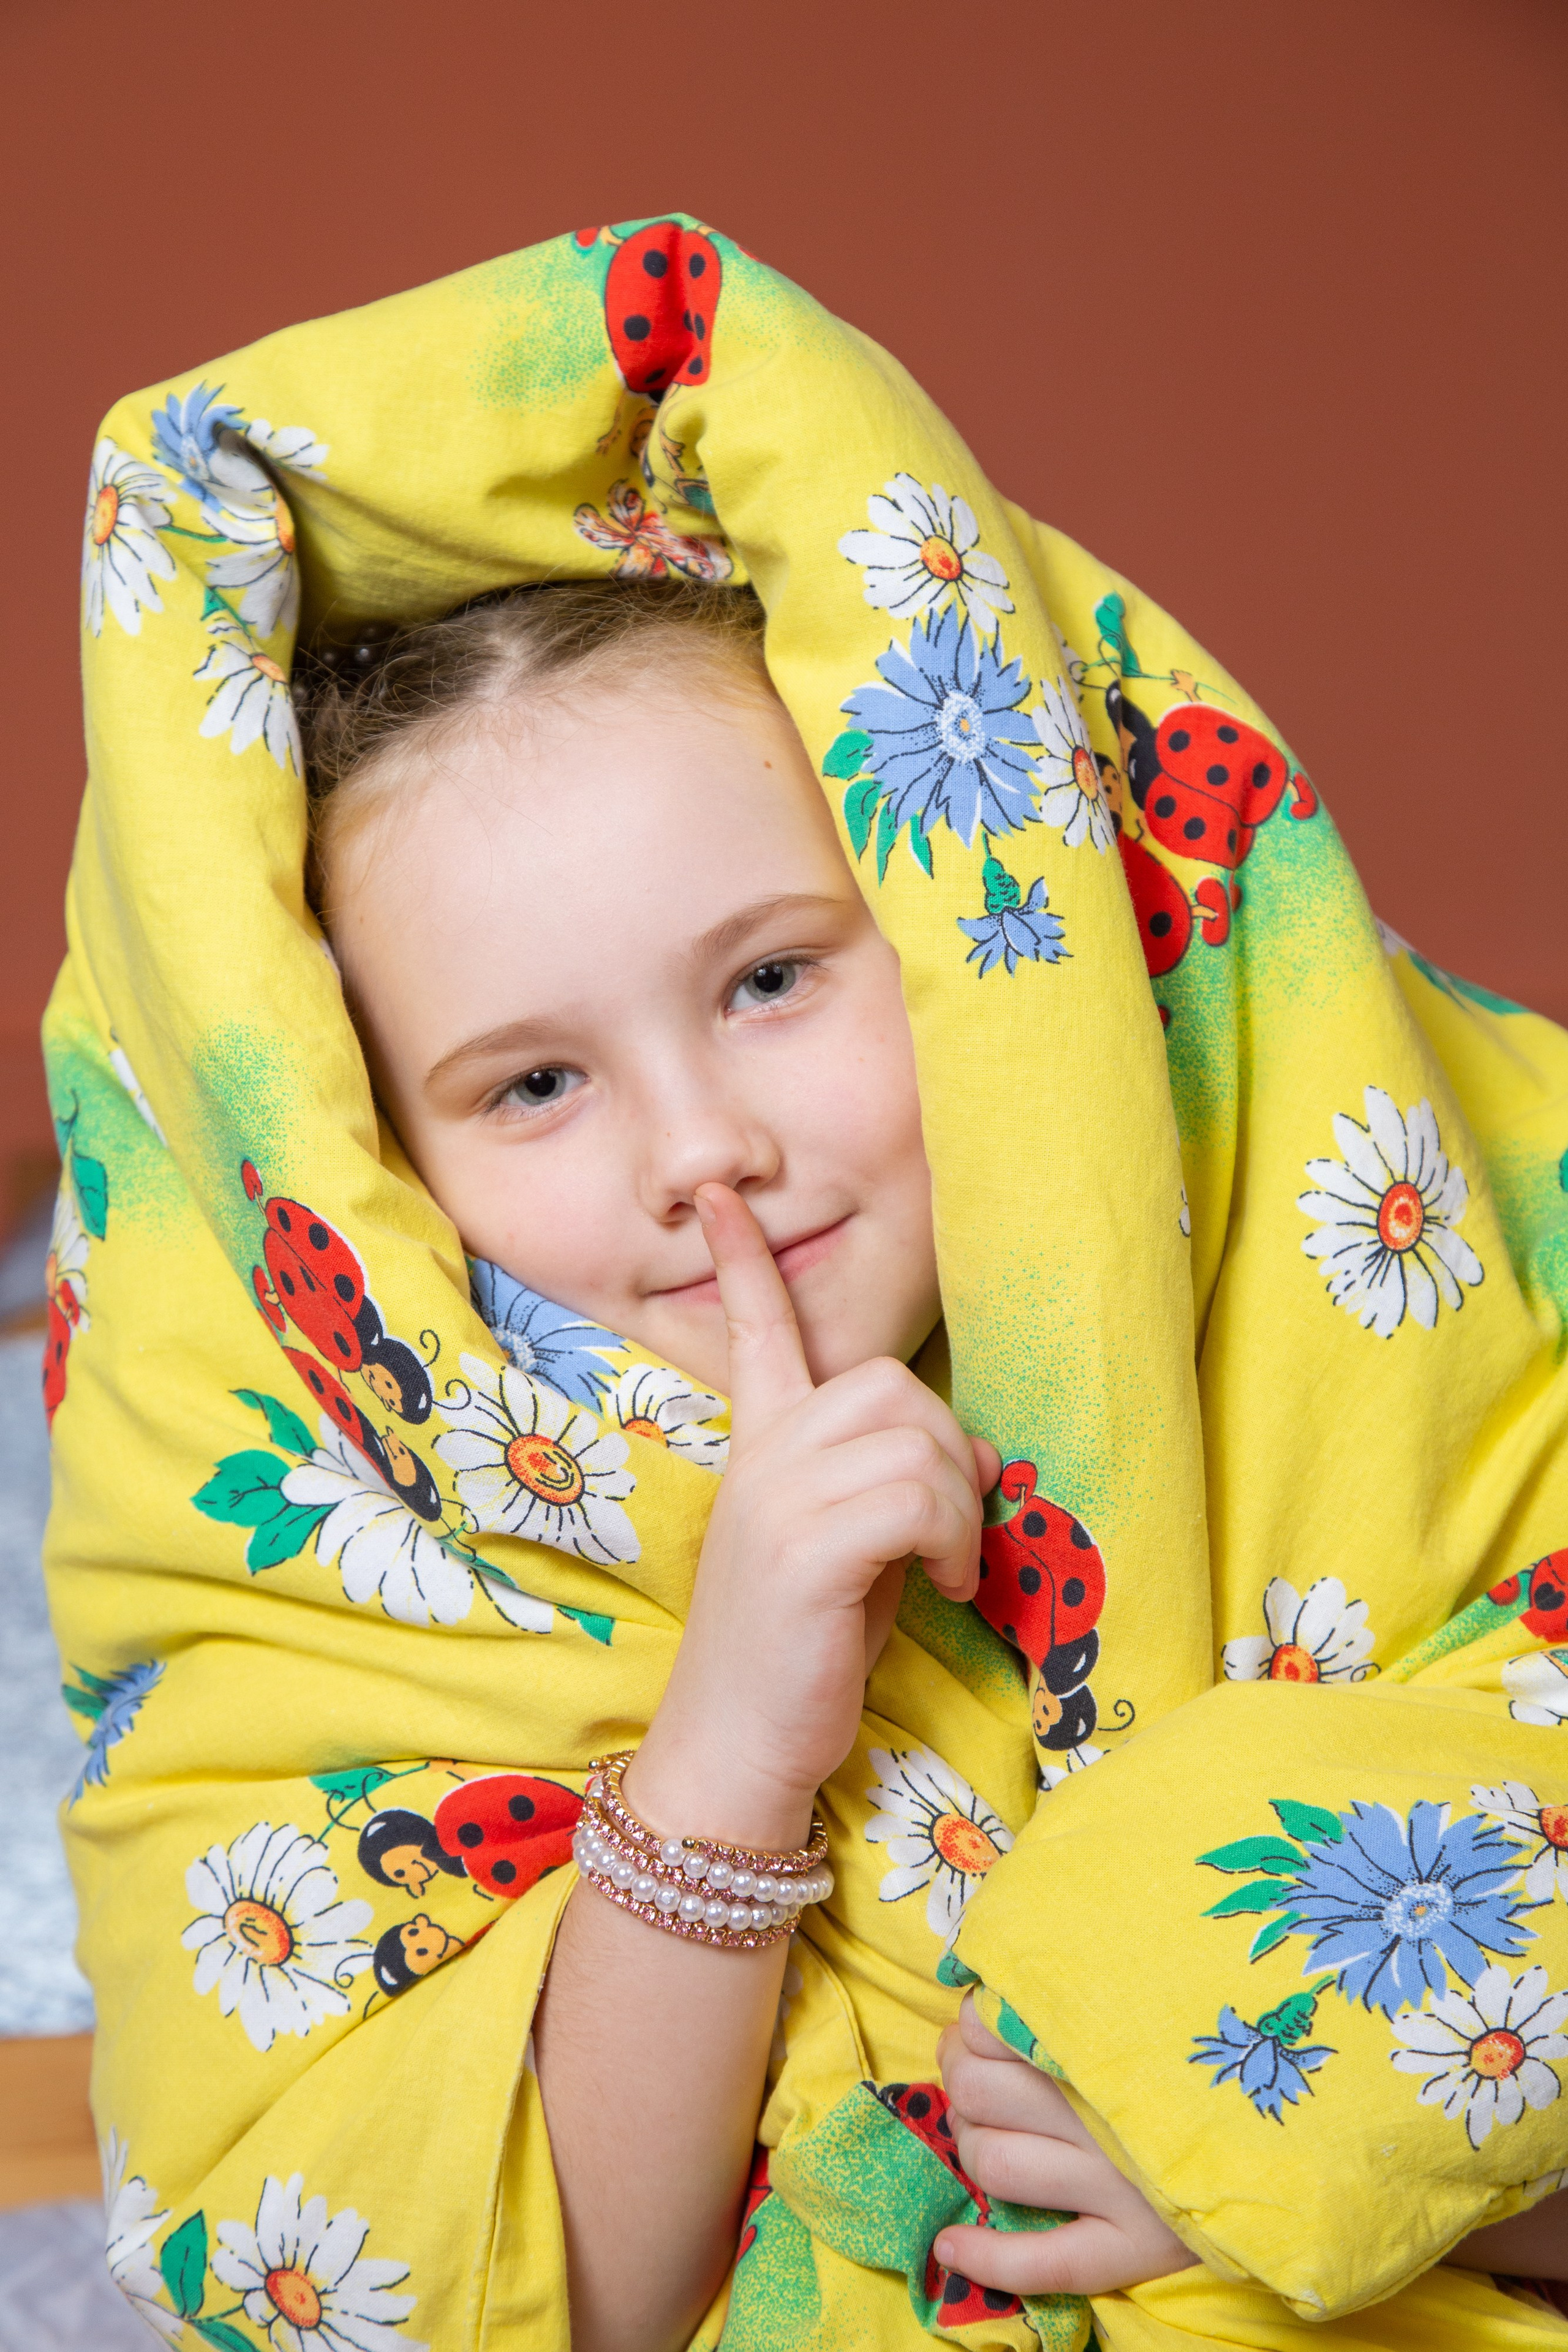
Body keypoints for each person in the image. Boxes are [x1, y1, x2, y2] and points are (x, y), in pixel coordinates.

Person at [48, 215, 1568, 2352]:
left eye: (772, 978)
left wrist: (1312, 2115)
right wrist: (733, 1749)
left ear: (988, 892)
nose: (702, 1153)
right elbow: (528, 2299)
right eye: (535, 1083)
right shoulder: (337, 1543)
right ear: (367, 1166)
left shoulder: (1403, 1257)